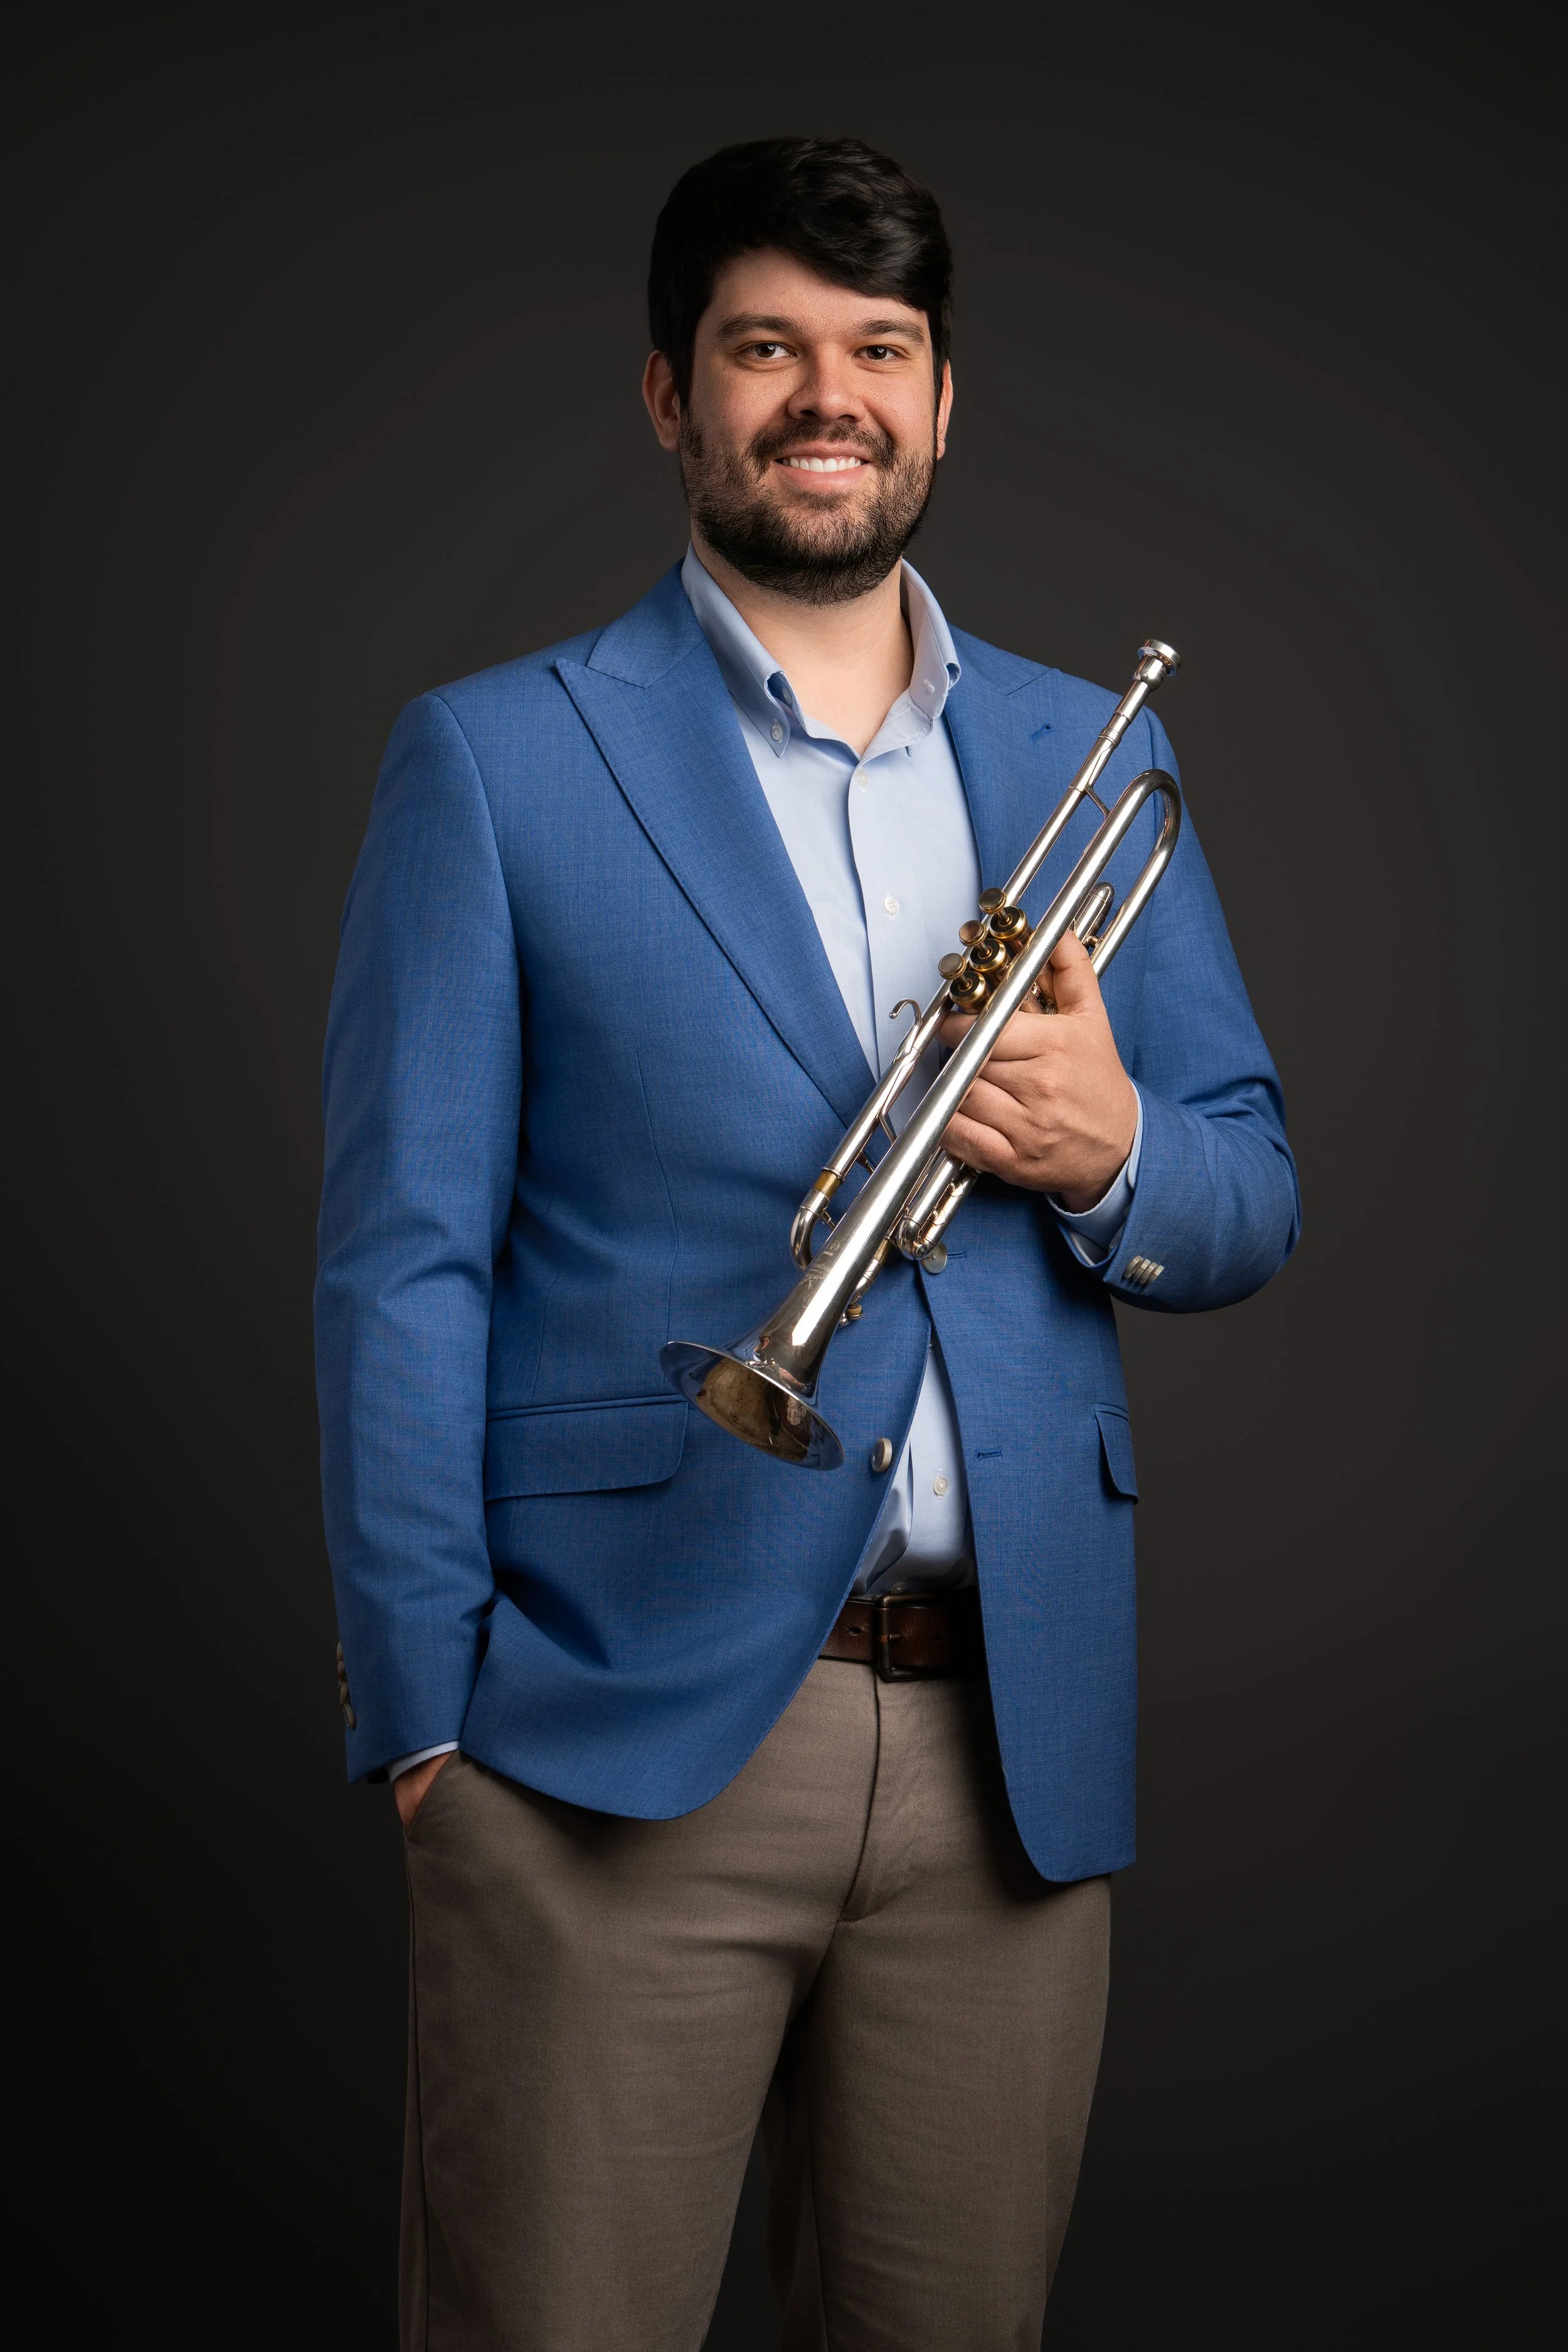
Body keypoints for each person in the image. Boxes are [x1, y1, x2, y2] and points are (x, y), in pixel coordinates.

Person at [315, 135, 1299, 2352]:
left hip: (1004, 1758)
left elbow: (1246, 1184)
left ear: (946, 403)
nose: (825, 396)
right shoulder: (494, 760)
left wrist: (1116, 1150)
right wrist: (424, 1729)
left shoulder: (1092, 756)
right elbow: (402, 1259)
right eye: (767, 348)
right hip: (601, 1734)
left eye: (877, 352)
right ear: (671, 395)